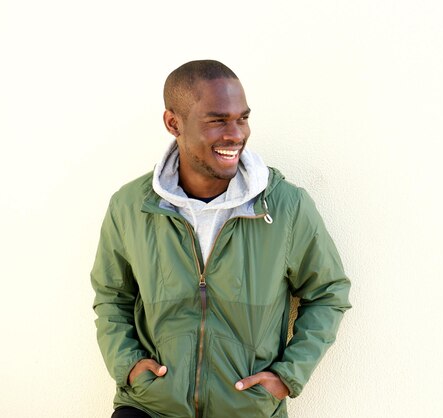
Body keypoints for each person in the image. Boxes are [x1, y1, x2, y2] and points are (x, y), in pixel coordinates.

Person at [91, 60, 352, 418]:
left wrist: (286, 376)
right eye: (217, 120)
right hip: (151, 408)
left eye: (242, 118)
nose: (236, 134)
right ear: (173, 123)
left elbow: (328, 293)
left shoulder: (285, 206)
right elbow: (112, 296)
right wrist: (130, 366)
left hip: (247, 410)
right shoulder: (132, 207)